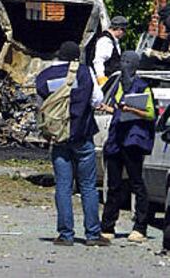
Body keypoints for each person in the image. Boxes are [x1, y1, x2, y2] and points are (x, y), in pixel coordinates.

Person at [36, 41, 109, 246]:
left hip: (59, 138)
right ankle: (93, 234)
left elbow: (41, 104)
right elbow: (97, 99)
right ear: (77, 57)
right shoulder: (85, 72)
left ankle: (65, 235)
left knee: (63, 186)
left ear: (59, 55)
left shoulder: (46, 76)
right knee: (87, 186)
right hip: (82, 136)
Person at [100, 51, 155, 243]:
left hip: (133, 141)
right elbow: (118, 107)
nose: (123, 64)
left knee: (136, 183)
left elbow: (150, 114)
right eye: (122, 60)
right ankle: (107, 226)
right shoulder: (118, 85)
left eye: (127, 61)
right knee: (114, 184)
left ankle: (140, 226)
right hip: (116, 139)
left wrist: (131, 109)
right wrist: (109, 109)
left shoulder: (143, 86)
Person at [92, 15, 128, 86]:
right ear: (119, 29)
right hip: (106, 79)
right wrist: (101, 78)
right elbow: (98, 61)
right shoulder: (106, 41)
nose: (124, 34)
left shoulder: (113, 40)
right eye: (124, 31)